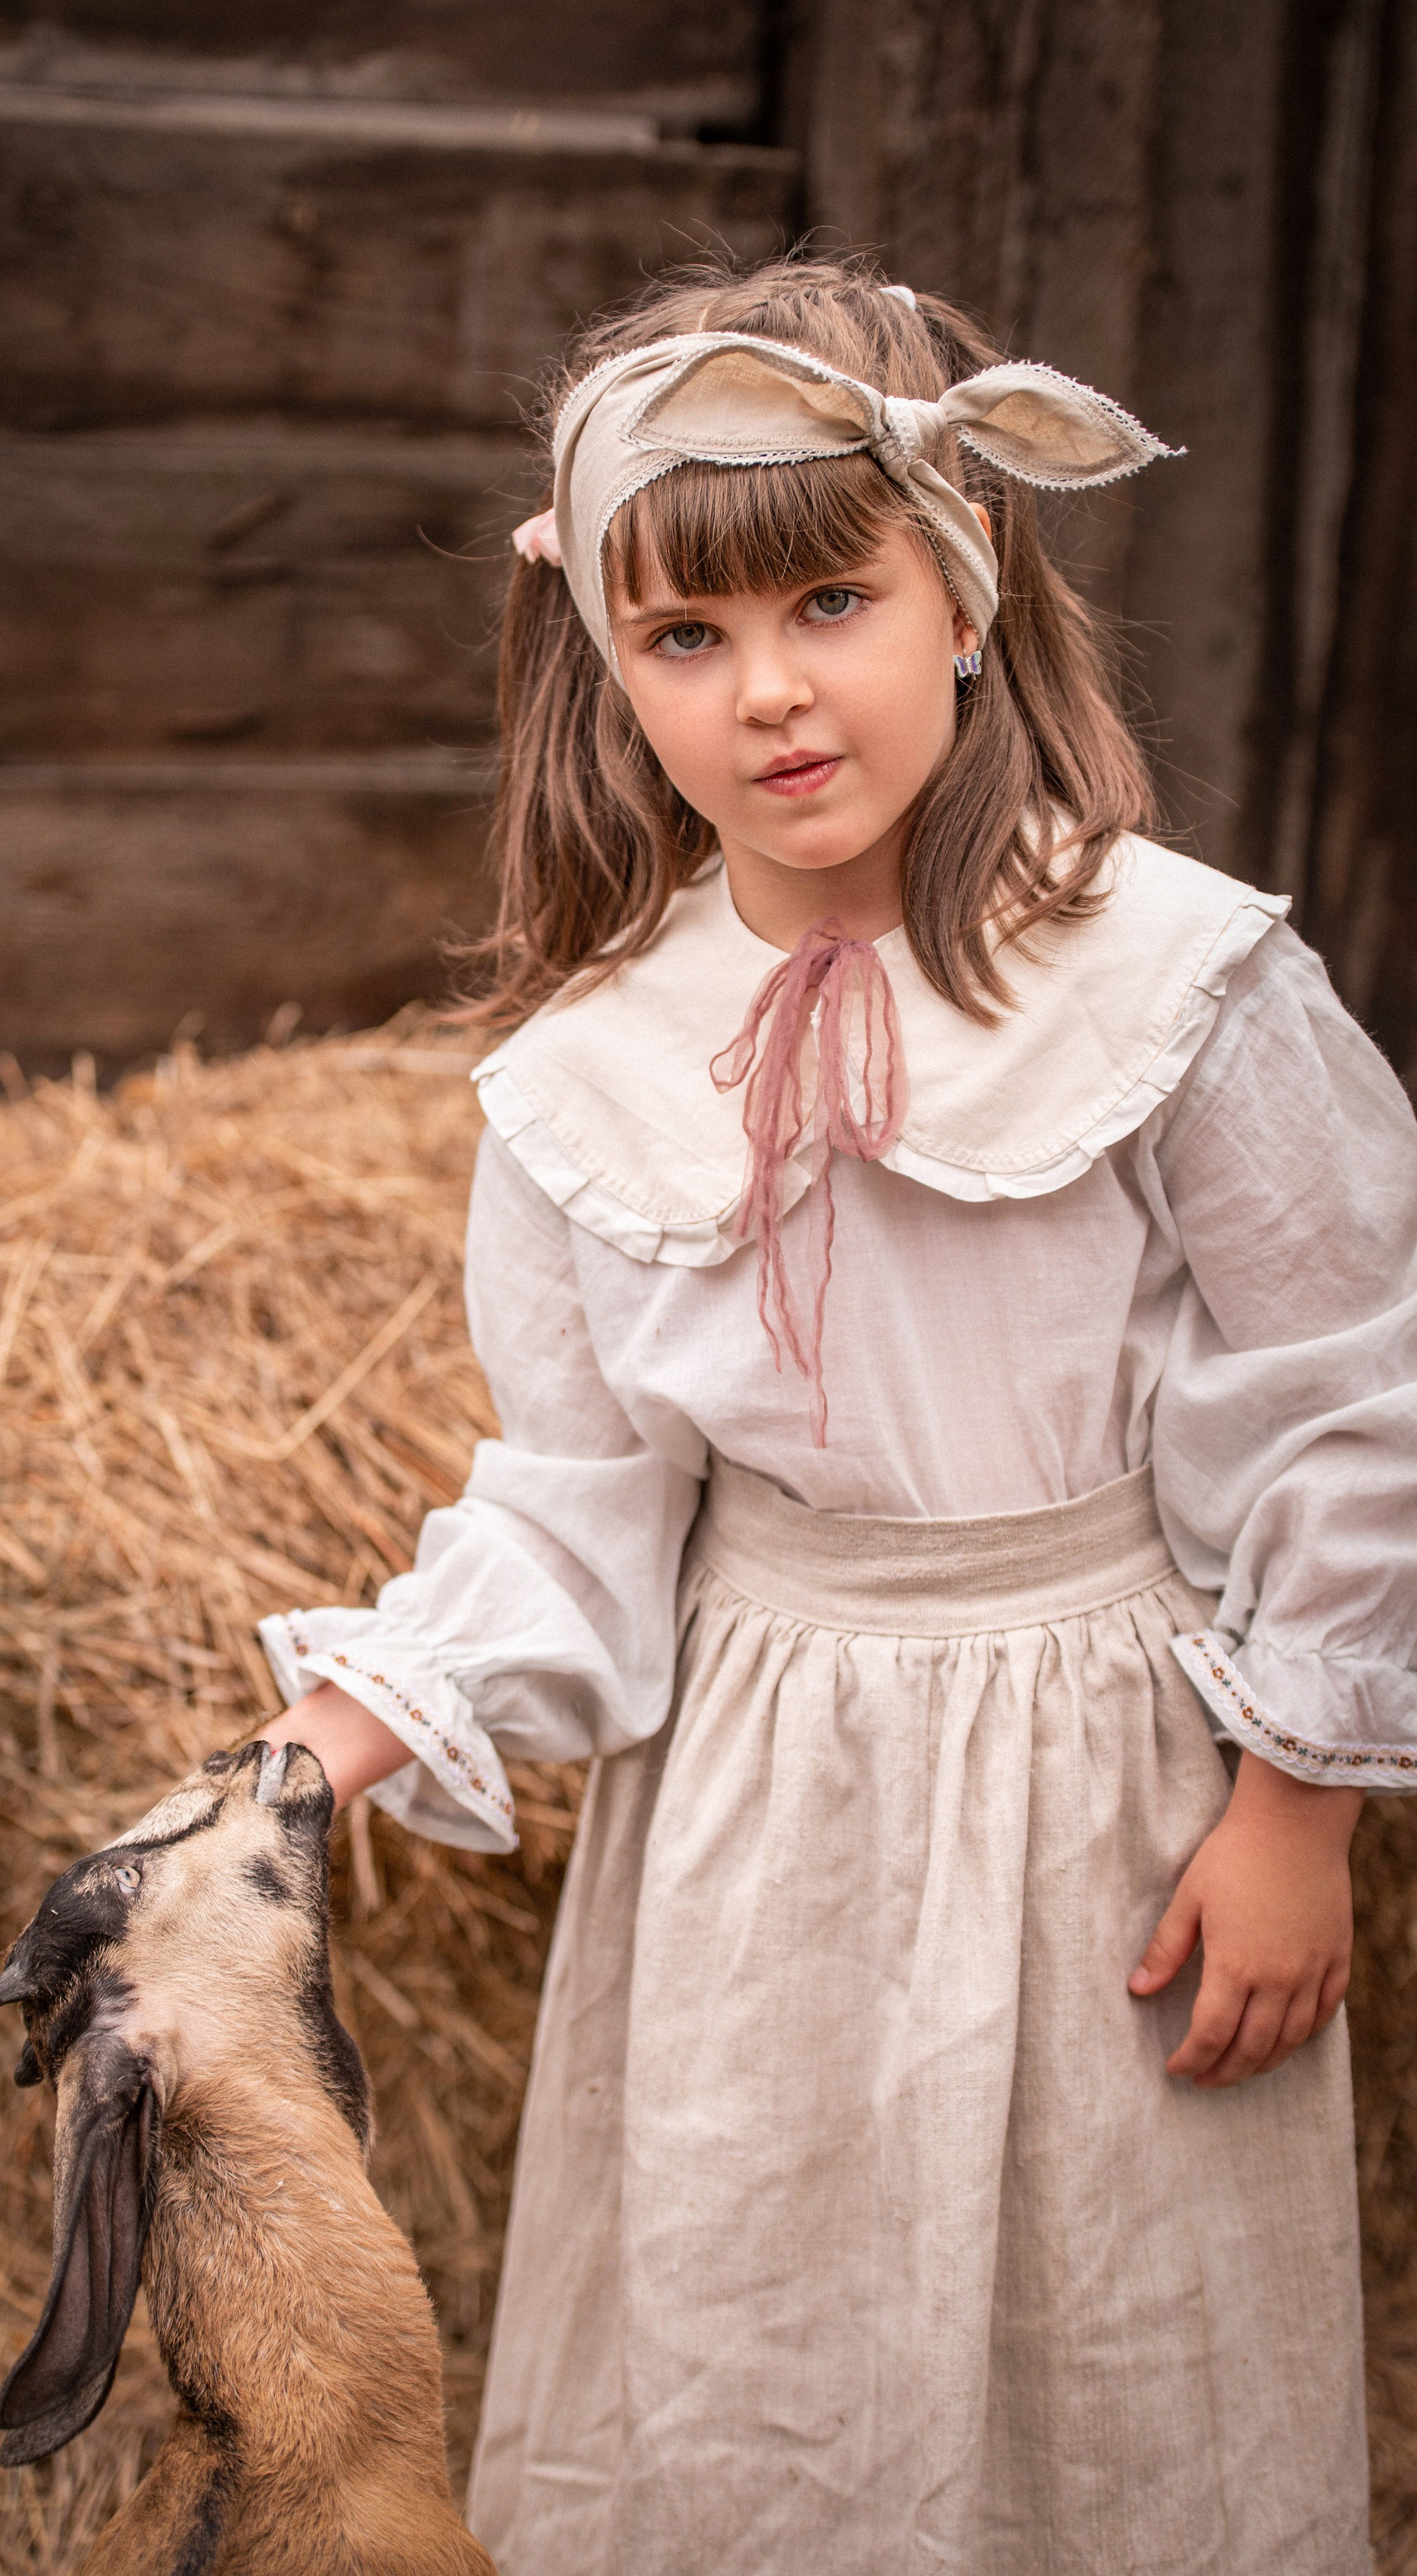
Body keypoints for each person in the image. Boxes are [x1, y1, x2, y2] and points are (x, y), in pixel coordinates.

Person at [252, 257, 1416, 2573]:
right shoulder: (590, 1072)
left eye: (829, 598)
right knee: (760, 2368)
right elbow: (581, 1523)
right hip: (757, 1823)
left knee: (1113, 2359)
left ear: (966, 595)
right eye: (683, 636)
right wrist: (304, 1767)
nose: (771, 692)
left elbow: (1352, 1406)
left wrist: (1304, 1809)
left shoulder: (1175, 980)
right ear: (603, 663)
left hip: (1109, 1793)